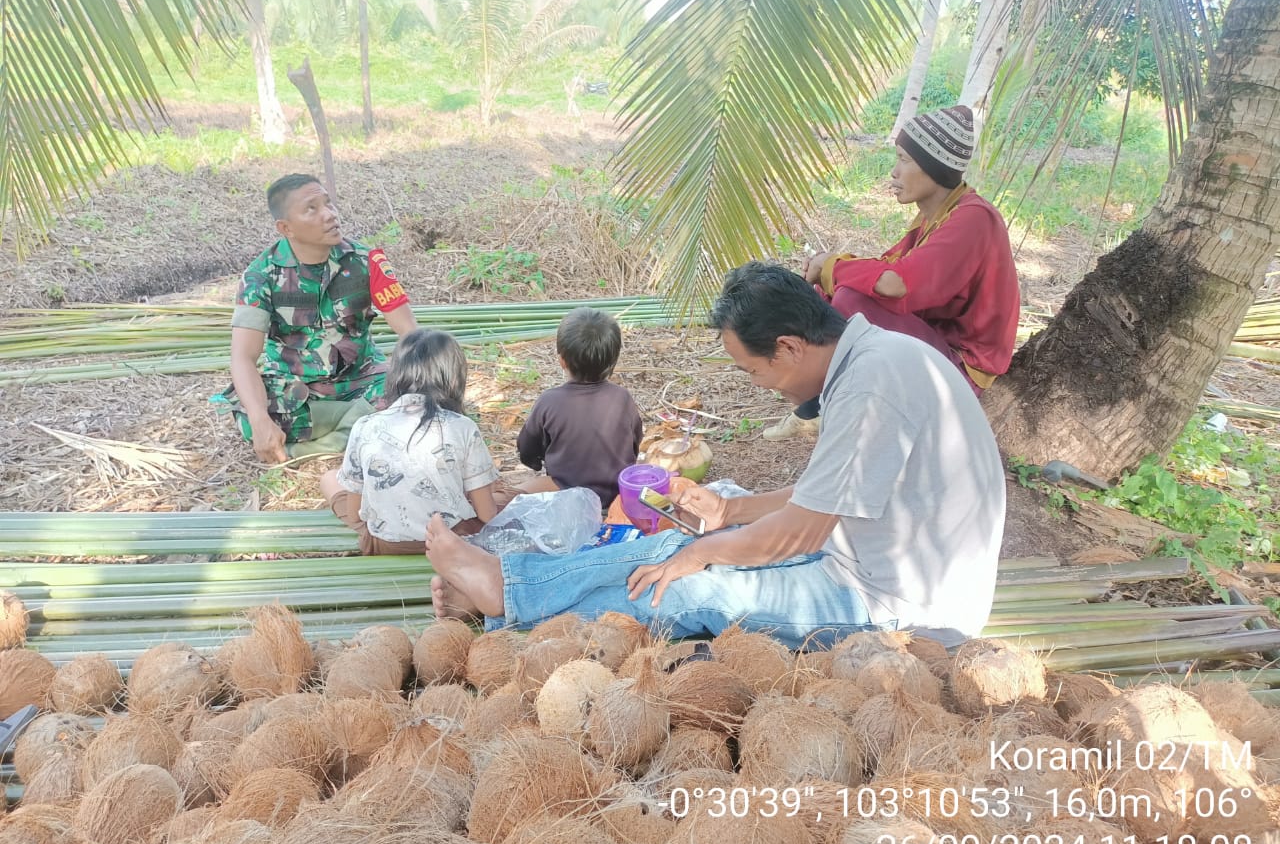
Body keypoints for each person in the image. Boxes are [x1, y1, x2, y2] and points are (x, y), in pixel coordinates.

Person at [425, 262, 1006, 649]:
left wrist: (706, 551)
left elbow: (800, 530)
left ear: (788, 347)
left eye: (752, 372)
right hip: (864, 560)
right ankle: (509, 585)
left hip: (898, 605)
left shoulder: (872, 387)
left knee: (687, 586)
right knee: (679, 546)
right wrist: (729, 513)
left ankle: (507, 602)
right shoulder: (875, 359)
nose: (759, 386)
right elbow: (827, 497)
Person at [763, 104, 1020, 441]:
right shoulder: (936, 217)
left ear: (935, 167)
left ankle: (820, 407)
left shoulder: (974, 219)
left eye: (904, 159)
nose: (894, 172)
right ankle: (814, 403)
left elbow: (895, 284)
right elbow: (888, 268)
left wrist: (832, 266)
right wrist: (827, 277)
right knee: (830, 293)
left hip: (961, 368)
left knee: (852, 299)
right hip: (939, 347)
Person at [212, 173, 420, 462]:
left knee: (416, 392)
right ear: (286, 227)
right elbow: (243, 357)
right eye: (312, 209)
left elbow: (410, 334)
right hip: (297, 391)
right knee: (250, 414)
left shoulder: (366, 261)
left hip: (364, 380)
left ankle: (320, 444)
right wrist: (260, 421)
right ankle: (363, 426)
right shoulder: (260, 276)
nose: (329, 214)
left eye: (328, 203)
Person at [320, 329, 499, 556]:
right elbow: (487, 515)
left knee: (329, 479)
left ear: (395, 375)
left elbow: (355, 515)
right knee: (503, 494)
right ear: (454, 378)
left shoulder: (365, 425)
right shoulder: (463, 427)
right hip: (453, 541)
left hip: (385, 545)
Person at [514, 307, 643, 509]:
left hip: (567, 497)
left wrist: (536, 463)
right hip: (616, 495)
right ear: (614, 361)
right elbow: (635, 443)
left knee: (510, 495)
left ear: (562, 361)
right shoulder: (622, 398)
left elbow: (527, 450)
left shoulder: (549, 401)